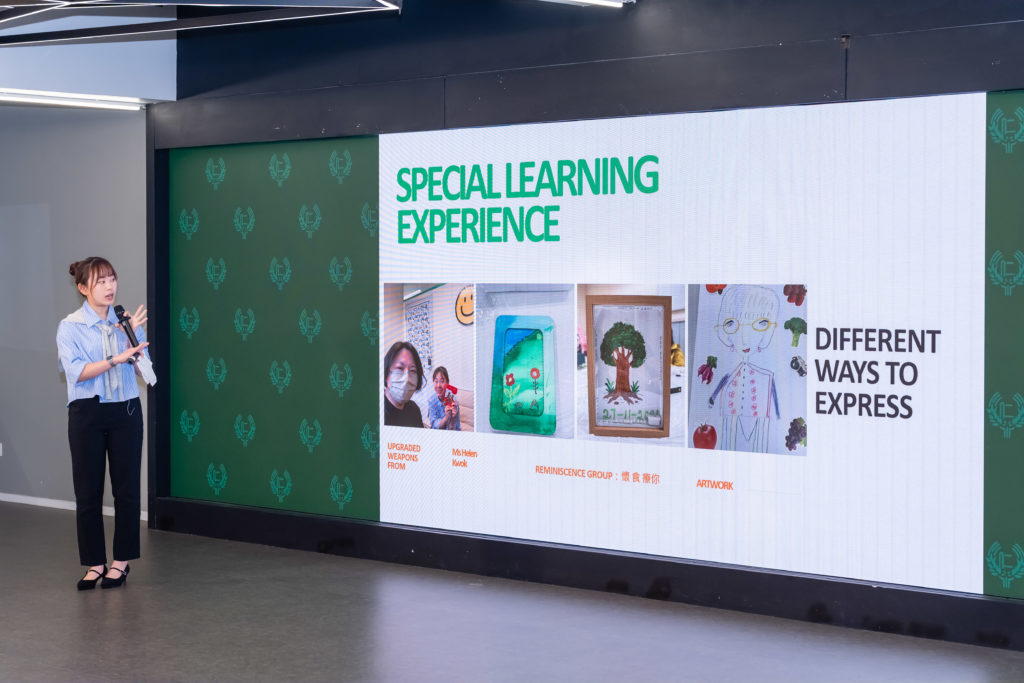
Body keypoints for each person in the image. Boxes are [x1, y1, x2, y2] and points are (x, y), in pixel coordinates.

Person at [56, 257, 149, 590]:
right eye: (101, 282)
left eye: (112, 279)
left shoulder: (126, 323)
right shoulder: (70, 327)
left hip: (126, 412)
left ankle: (121, 563)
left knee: (127, 491)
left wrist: (131, 346)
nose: (110, 287)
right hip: (87, 413)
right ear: (83, 288)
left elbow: (147, 373)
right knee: (88, 492)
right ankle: (95, 564)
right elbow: (76, 373)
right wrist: (114, 359)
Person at [383, 341, 425, 428]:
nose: (407, 379)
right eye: (400, 368)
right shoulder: (375, 412)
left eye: (412, 370)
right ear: (387, 374)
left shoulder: (415, 410)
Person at [427, 366, 461, 430]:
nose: (438, 385)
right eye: (436, 381)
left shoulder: (453, 401)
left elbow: (454, 430)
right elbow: (434, 426)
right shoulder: (432, 401)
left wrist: (452, 418)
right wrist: (446, 417)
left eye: (442, 381)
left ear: (447, 383)